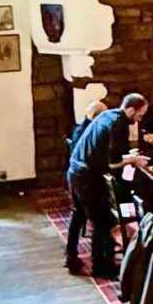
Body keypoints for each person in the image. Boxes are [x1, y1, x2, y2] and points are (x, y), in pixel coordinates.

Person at [67, 91, 148, 278]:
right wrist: (132, 161)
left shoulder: (107, 114)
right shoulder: (118, 124)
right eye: (139, 115)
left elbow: (110, 154)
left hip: (75, 169)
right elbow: (113, 163)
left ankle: (71, 256)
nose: (138, 120)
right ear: (129, 109)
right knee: (102, 221)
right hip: (88, 176)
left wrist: (127, 158)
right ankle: (101, 266)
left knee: (78, 213)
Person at [63, 98, 108, 270]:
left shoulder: (80, 129)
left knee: (78, 215)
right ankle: (99, 263)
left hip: (74, 176)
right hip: (84, 179)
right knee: (99, 218)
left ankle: (71, 255)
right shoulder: (88, 132)